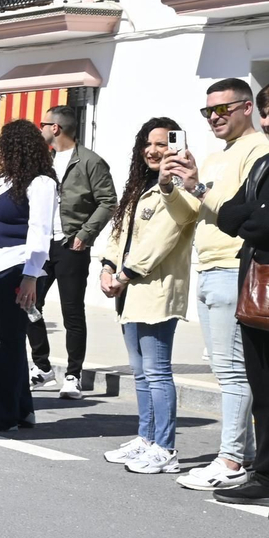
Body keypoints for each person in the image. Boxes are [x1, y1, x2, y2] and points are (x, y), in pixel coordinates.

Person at [163, 77, 269, 493]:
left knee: (234, 371)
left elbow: (241, 216)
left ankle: (231, 458)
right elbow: (196, 213)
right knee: (226, 368)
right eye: (207, 112)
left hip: (234, 267)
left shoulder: (258, 149)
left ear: (246, 108)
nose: (213, 118)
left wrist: (201, 189)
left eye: (222, 110)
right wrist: (173, 186)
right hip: (208, 265)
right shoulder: (215, 156)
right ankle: (235, 456)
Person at [96, 119, 195, 475]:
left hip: (155, 290)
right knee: (139, 372)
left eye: (162, 144)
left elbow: (160, 241)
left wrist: (122, 275)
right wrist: (107, 267)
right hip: (129, 290)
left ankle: (165, 447)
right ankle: (146, 438)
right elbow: (118, 234)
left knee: (156, 371)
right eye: (148, 144)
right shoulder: (138, 187)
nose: (154, 151)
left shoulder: (179, 189)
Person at [0, 119, 57, 432]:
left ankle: (1, 411)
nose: (0, 152)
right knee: (9, 340)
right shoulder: (2, 181)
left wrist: (31, 276)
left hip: (19, 267)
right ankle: (23, 408)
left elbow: (40, 231)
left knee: (9, 342)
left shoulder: (41, 183)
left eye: (4, 145)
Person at [26, 105, 116, 398]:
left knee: (72, 312)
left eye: (43, 124)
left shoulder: (90, 161)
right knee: (28, 305)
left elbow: (108, 201)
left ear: (56, 128)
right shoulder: (44, 161)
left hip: (70, 245)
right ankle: (41, 368)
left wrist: (85, 234)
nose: (40, 129)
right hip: (42, 245)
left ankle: (73, 375)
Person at [213, 103, 269, 505]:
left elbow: (259, 223)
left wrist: (253, 218)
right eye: (267, 113)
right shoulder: (263, 165)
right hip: (257, 290)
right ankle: (264, 474)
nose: (267, 122)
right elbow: (229, 216)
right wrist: (254, 216)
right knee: (262, 387)